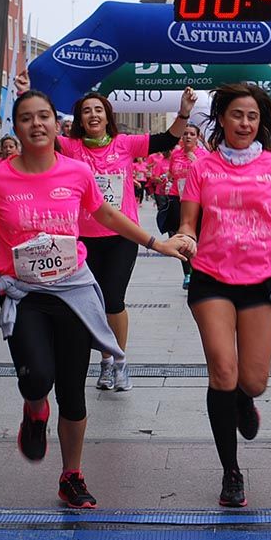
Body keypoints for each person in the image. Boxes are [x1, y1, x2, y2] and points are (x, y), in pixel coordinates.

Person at [0, 90, 192, 509]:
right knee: (36, 379)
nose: (36, 124)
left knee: (72, 390)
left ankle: (71, 475)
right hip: (26, 293)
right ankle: (34, 411)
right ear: (16, 126)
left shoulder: (76, 172)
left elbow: (107, 215)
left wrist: (156, 243)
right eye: (26, 117)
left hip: (73, 292)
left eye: (44, 116)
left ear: (55, 124)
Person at [177, 82, 271, 508]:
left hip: (264, 279)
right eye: (237, 115)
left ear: (260, 123)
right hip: (211, 279)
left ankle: (245, 400)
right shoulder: (201, 167)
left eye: (253, 117)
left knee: (253, 381)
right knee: (223, 372)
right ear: (222, 118)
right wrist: (185, 238)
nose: (245, 123)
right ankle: (231, 472)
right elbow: (189, 220)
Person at [52, 82, 198, 392]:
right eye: (86, 111)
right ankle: (104, 361)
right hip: (83, 238)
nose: (93, 115)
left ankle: (118, 361)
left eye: (98, 110)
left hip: (122, 236)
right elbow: (37, 132)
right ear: (79, 119)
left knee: (113, 299)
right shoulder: (69, 147)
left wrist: (184, 113)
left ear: (107, 116)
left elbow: (165, 138)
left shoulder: (124, 144)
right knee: (91, 301)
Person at [164, 123, 209, 289]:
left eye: (191, 134)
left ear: (197, 137)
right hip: (177, 198)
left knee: (198, 237)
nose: (188, 137)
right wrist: (165, 178)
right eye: (185, 134)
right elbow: (171, 173)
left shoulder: (204, 155)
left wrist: (196, 162)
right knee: (181, 237)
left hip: (197, 201)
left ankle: (200, 270)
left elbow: (210, 178)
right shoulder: (176, 154)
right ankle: (188, 273)